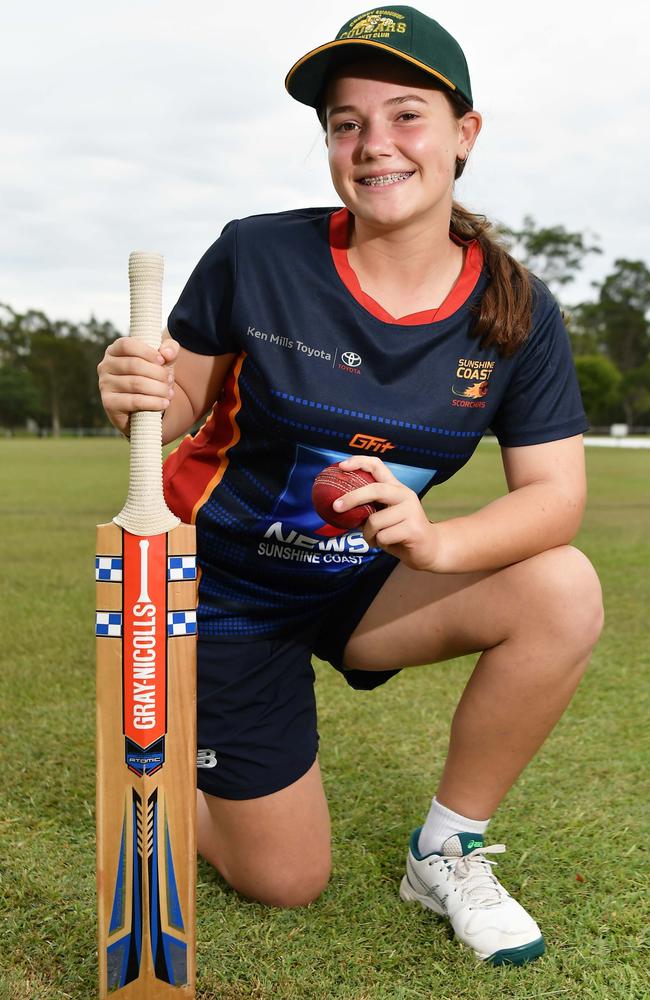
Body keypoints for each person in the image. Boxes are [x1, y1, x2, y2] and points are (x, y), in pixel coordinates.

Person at [98, 6, 603, 967]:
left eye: (406, 114)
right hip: (217, 593)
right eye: (345, 122)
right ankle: (170, 768)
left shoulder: (520, 310)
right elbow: (172, 404)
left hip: (363, 582)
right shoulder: (260, 252)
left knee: (563, 585)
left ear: (465, 134)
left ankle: (445, 852)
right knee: (286, 882)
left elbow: (554, 497)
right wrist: (130, 385)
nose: (374, 144)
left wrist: (436, 544)